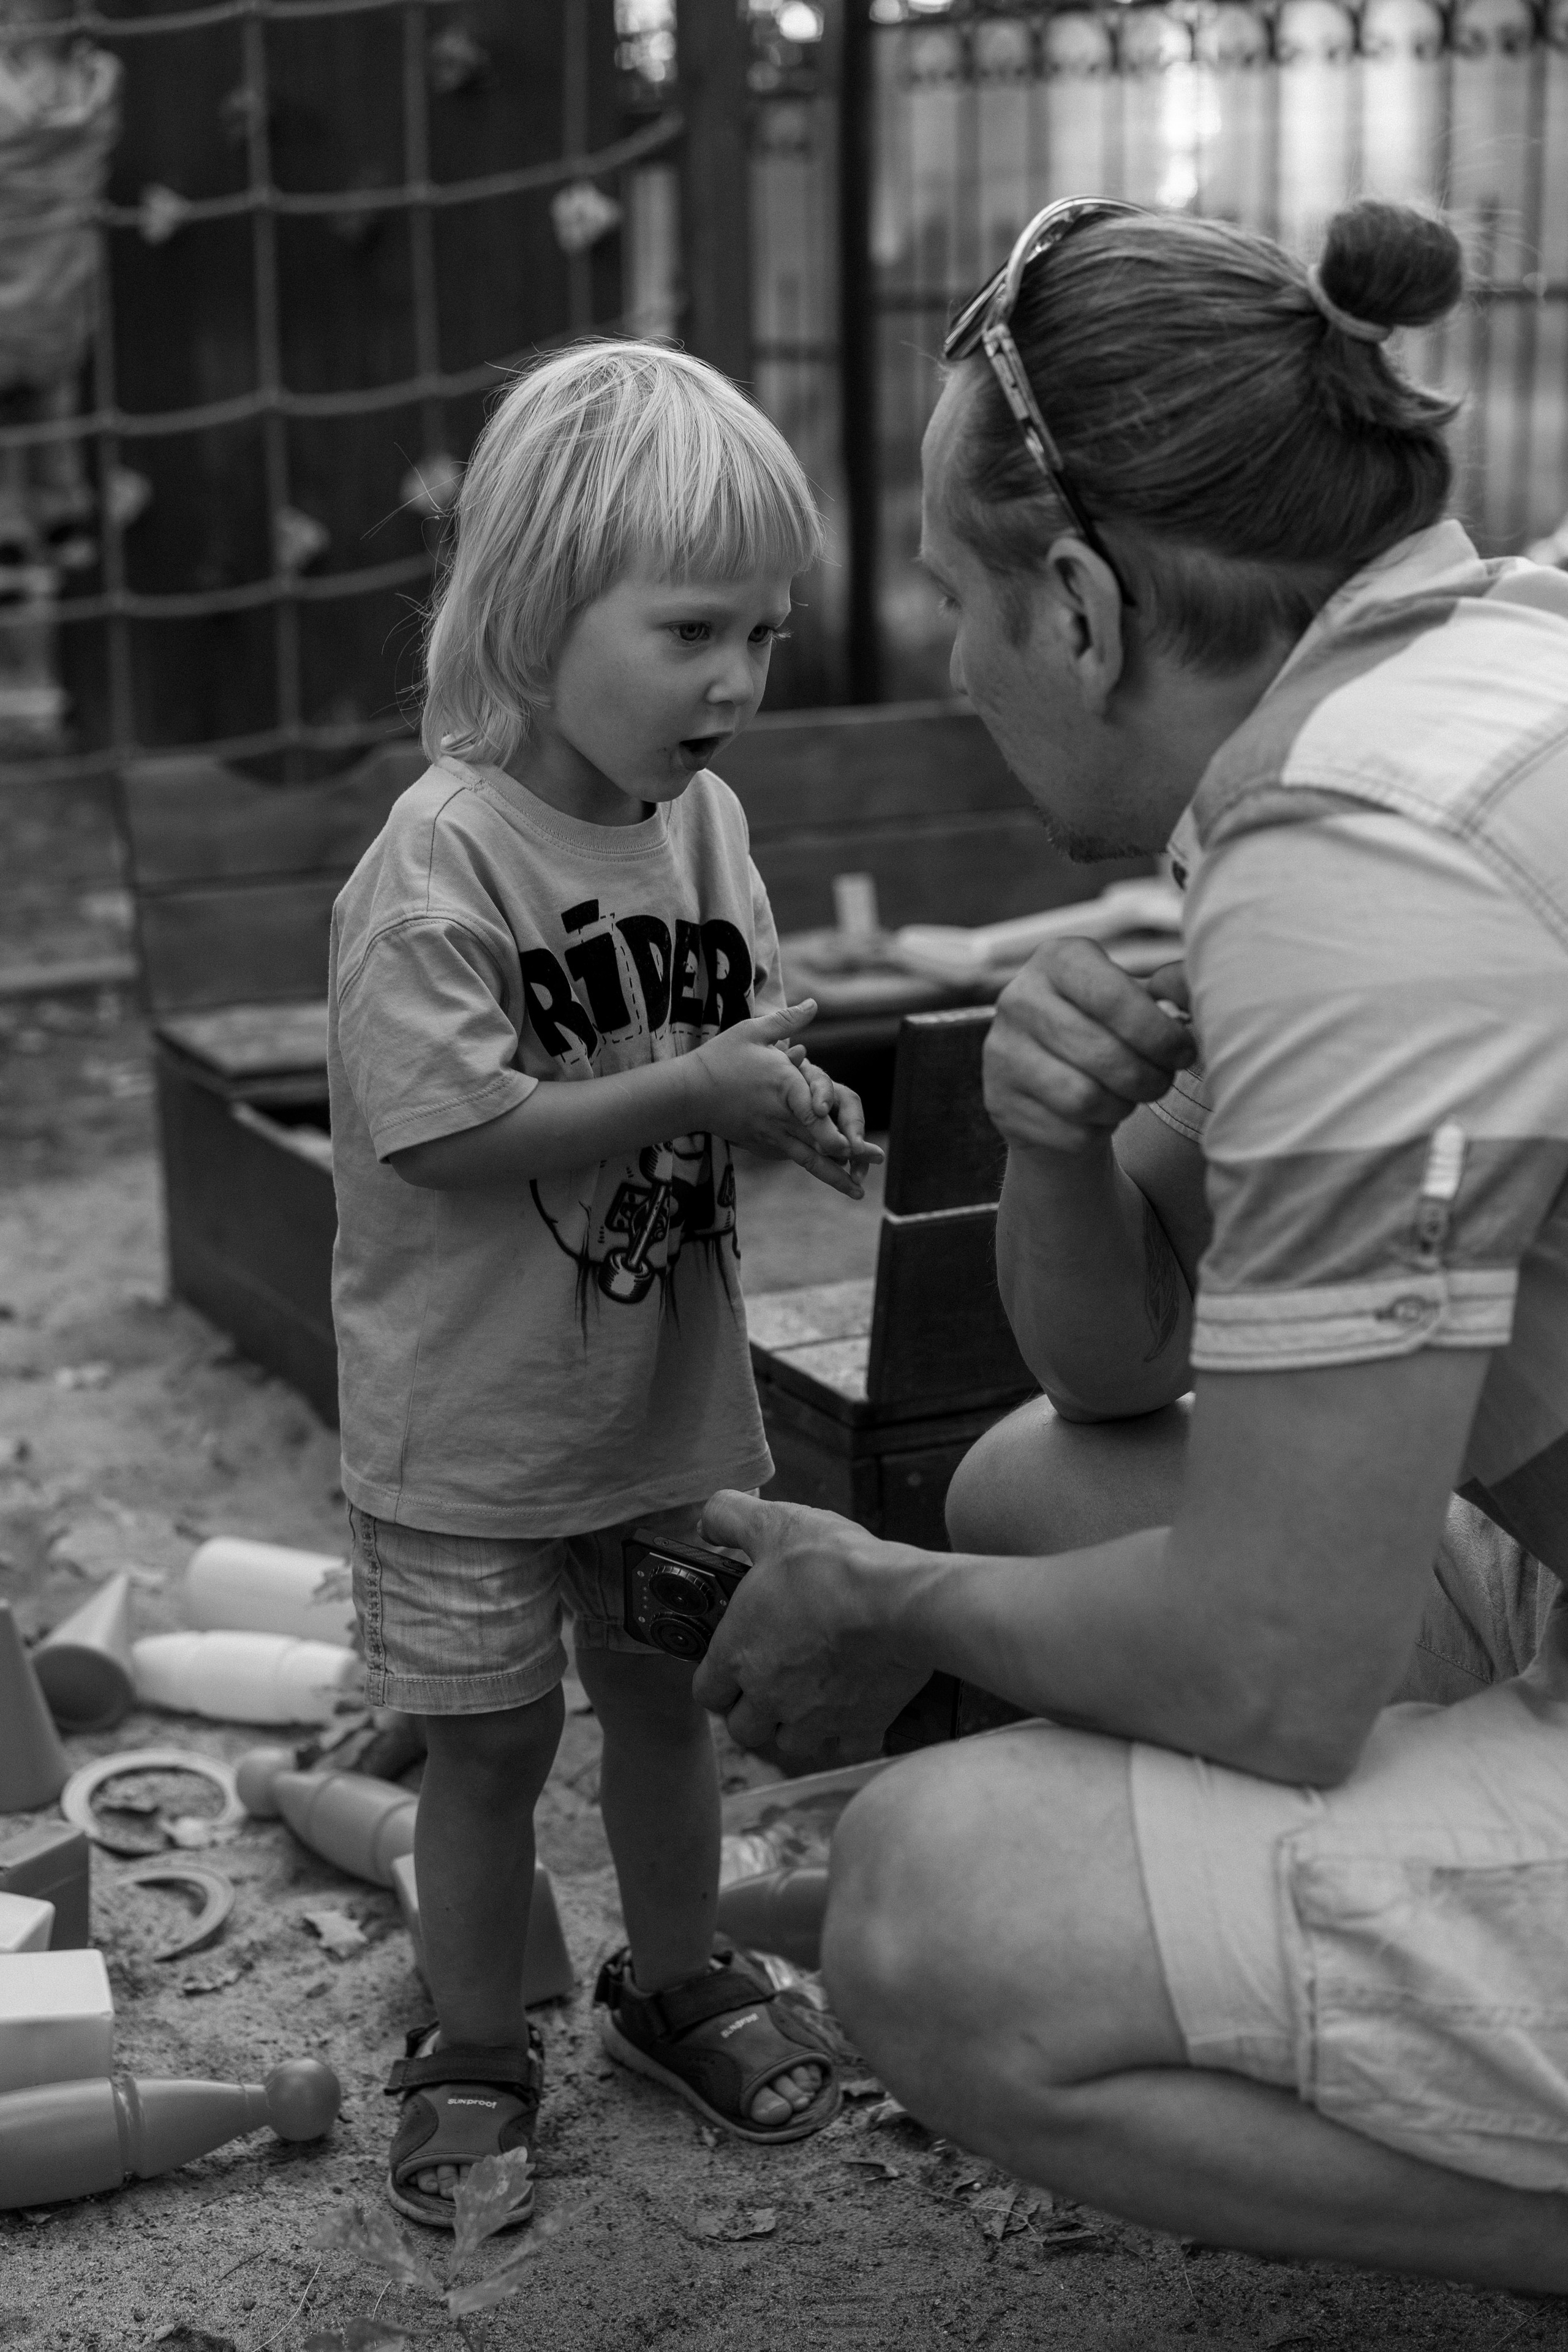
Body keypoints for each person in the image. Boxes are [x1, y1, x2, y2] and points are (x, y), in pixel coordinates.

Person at [691, 197, 1568, 2290]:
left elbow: (1275, 1668)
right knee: (1030, 1493)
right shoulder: (1459, 682)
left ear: (1080, 606)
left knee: (933, 1909)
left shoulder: (1366, 875)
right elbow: (1103, 1388)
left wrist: (869, 1590)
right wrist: (1053, 1140)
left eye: (953, 603)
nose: (966, 666)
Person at [327, 343, 876, 2228]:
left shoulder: (700, 821)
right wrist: (694, 1087)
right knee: (489, 1747)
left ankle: (672, 1975)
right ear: (541, 609)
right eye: (696, 629)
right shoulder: (440, 866)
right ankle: (479, 2038)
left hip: (653, 1399)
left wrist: (783, 1101)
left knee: (666, 1699)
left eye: (769, 633)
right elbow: (442, 1134)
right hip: (472, 1417)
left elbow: (733, 1026)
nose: (739, 679)